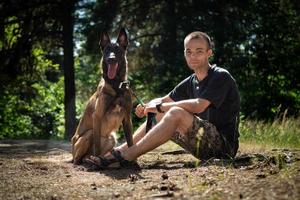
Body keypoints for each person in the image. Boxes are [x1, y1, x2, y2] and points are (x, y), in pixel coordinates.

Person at [88, 31, 240, 168]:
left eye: (199, 51)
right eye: (189, 52)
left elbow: (199, 105)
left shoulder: (220, 76)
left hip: (223, 147)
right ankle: (118, 152)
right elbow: (164, 99)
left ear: (209, 53)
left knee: (174, 112)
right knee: (159, 113)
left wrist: (160, 106)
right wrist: (147, 107)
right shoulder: (191, 80)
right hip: (202, 144)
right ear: (185, 54)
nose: (193, 56)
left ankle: (128, 156)